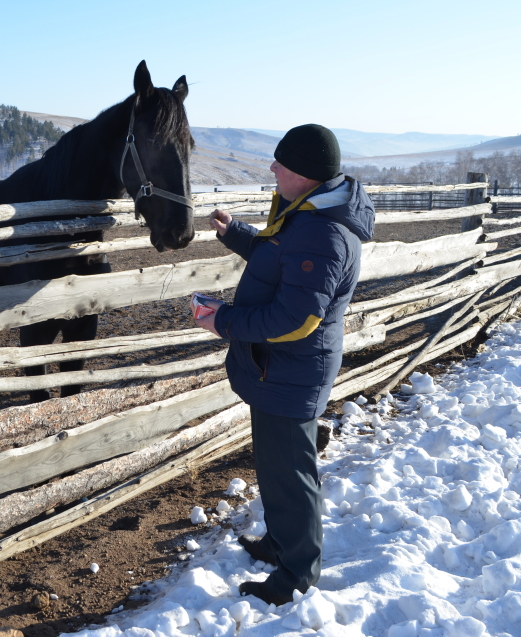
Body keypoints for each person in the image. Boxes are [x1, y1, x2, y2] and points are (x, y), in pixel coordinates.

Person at [192, 124, 375, 605]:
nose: (272, 168)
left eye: (282, 165)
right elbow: (279, 255)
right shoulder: (310, 214)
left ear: (306, 176)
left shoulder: (324, 233)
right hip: (280, 369)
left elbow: (296, 319)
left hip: (290, 370)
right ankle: (280, 543)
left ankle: (296, 573)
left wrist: (223, 321)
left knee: (291, 476)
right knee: (278, 469)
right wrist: (236, 234)